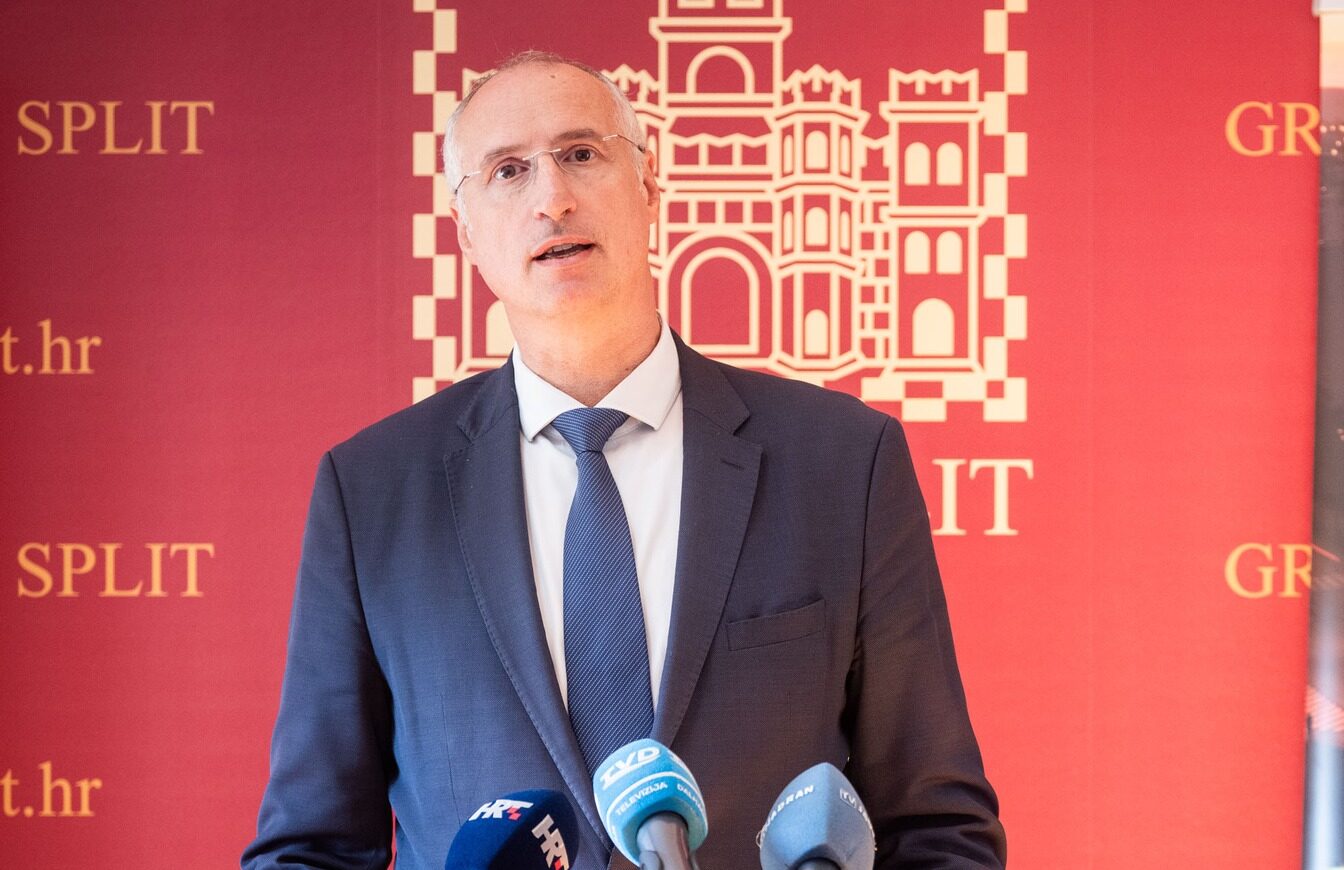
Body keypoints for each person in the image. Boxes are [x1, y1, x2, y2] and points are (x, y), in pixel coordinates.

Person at [243, 51, 1006, 869]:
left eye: (581, 153)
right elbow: (311, 848)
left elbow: (936, 829)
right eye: (508, 171)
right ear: (466, 233)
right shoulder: (373, 494)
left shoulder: (842, 463)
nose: (552, 198)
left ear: (648, 185)